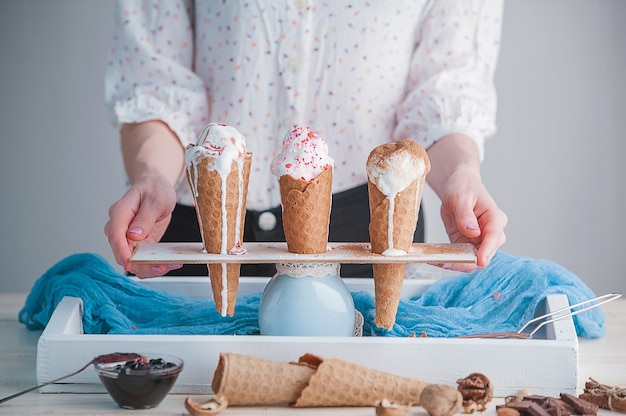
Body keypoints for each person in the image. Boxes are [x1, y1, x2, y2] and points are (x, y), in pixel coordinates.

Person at [104, 0, 508, 279]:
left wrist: (462, 173)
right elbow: (155, 82)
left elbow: (444, 91)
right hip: (199, 235)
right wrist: (152, 175)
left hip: (365, 234)